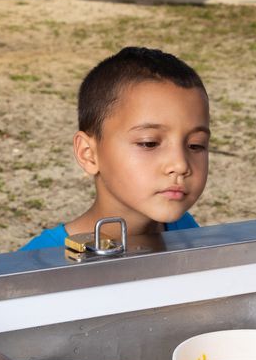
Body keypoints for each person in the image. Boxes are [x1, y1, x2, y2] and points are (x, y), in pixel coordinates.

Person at [20, 47, 210, 254]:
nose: (180, 165)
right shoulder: (39, 259)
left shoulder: (183, 229)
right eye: (149, 143)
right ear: (88, 153)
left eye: (195, 145)